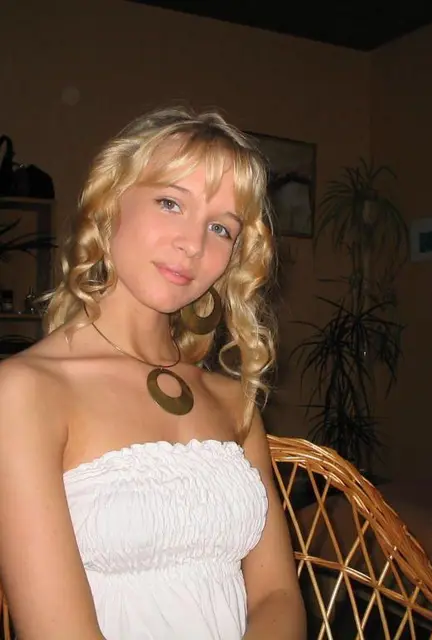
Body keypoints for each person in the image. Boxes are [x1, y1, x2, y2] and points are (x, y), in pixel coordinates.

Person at [0, 106, 306, 640]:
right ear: (109, 204)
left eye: (220, 227)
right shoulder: (24, 393)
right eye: (170, 203)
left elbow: (277, 597)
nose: (193, 244)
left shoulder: (233, 402)